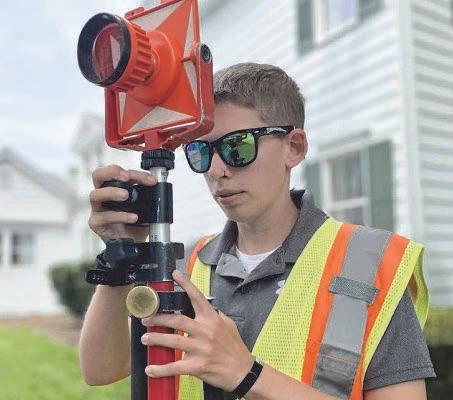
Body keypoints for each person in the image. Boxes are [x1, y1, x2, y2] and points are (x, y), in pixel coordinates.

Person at [80, 63, 436, 399]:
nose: (217, 170)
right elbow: (100, 369)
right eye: (201, 151)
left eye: (237, 147)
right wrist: (120, 251)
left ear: (294, 148)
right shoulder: (189, 267)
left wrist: (247, 374)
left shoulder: (369, 267)